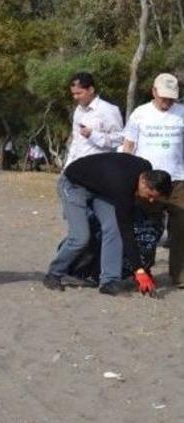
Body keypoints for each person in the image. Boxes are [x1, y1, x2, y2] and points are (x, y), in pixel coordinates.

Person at [43, 153, 172, 296]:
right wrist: (139, 270)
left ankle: (109, 281)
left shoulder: (145, 168)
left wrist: (140, 269)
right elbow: (127, 232)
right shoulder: (123, 188)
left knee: (114, 229)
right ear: (143, 183)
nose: (151, 201)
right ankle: (53, 274)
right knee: (80, 237)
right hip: (74, 184)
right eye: (150, 196)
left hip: (101, 190)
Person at [122, 73, 184, 288]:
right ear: (154, 92)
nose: (167, 102)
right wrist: (127, 176)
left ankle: (179, 275)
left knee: (180, 228)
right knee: (148, 229)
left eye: (172, 98)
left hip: (177, 180)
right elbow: (128, 146)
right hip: (147, 182)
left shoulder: (182, 113)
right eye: (164, 97)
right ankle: (142, 270)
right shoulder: (140, 114)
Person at [64, 72, 124, 167]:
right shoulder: (78, 110)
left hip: (99, 169)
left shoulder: (108, 110)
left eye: (79, 93)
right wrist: (67, 167)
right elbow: (76, 141)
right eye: (73, 94)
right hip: (77, 167)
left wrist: (93, 135)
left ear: (91, 90)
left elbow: (119, 139)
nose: (75, 97)